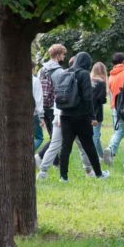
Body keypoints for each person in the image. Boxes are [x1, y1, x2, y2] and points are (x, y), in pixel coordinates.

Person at [58, 52, 109, 182]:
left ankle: (63, 177)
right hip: (81, 116)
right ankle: (99, 174)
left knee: (65, 147)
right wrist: (92, 116)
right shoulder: (83, 74)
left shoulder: (64, 72)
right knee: (89, 146)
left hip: (65, 114)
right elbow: (88, 97)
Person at [36, 44, 65, 163]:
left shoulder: (41, 70)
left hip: (43, 106)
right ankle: (40, 156)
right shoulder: (59, 71)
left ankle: (55, 162)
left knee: (52, 135)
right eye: (63, 54)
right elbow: (61, 91)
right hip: (54, 108)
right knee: (57, 137)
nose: (64, 57)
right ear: (58, 55)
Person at [90, 62, 108, 159]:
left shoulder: (89, 81)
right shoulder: (101, 83)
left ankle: (100, 155)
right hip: (97, 113)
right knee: (95, 136)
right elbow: (101, 99)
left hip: (87, 112)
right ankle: (100, 156)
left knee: (93, 135)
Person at [32, 66, 44, 151]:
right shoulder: (35, 81)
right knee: (39, 137)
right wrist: (41, 116)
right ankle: (28, 152)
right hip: (34, 113)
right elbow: (38, 99)